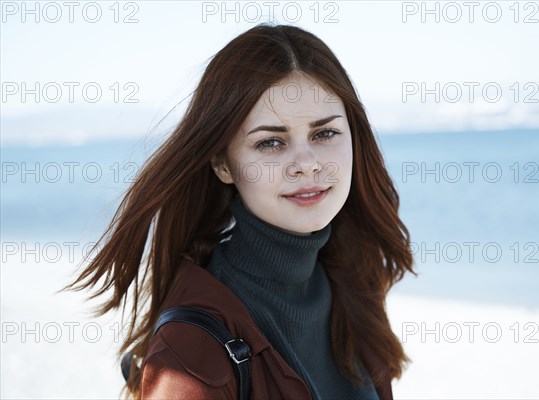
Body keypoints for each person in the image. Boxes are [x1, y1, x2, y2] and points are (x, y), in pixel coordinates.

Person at [63, 23, 415, 399]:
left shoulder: (354, 281)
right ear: (223, 164)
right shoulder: (190, 350)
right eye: (270, 142)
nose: (307, 163)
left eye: (324, 134)